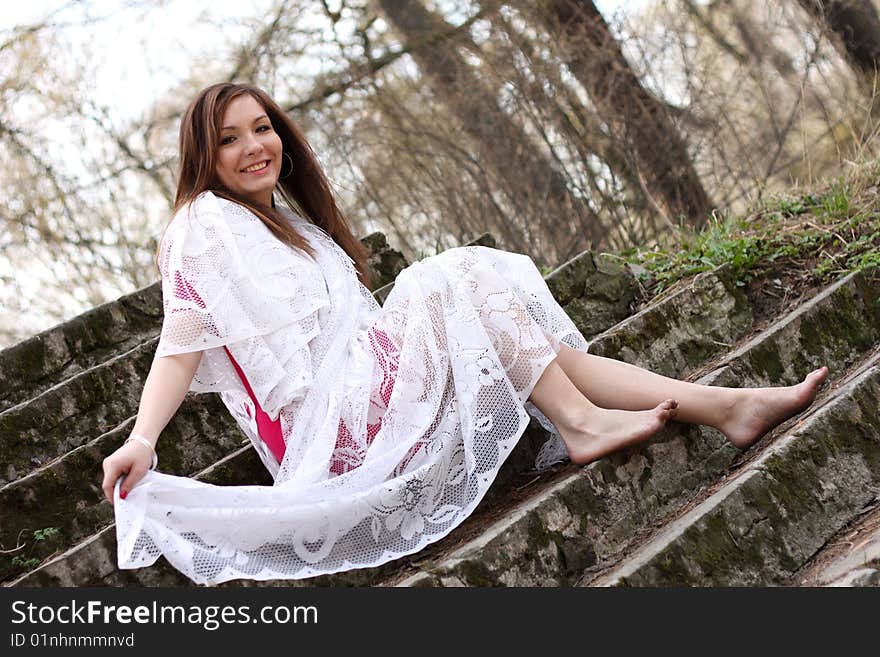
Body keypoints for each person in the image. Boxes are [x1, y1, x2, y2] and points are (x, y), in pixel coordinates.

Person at [101, 82, 829, 585]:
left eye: (263, 128)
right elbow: (180, 341)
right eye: (230, 139)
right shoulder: (199, 226)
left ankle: (724, 407)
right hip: (334, 436)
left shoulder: (290, 225)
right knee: (452, 277)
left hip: (367, 393)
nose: (255, 146)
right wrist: (143, 438)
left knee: (519, 330)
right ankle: (580, 422)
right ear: (204, 155)